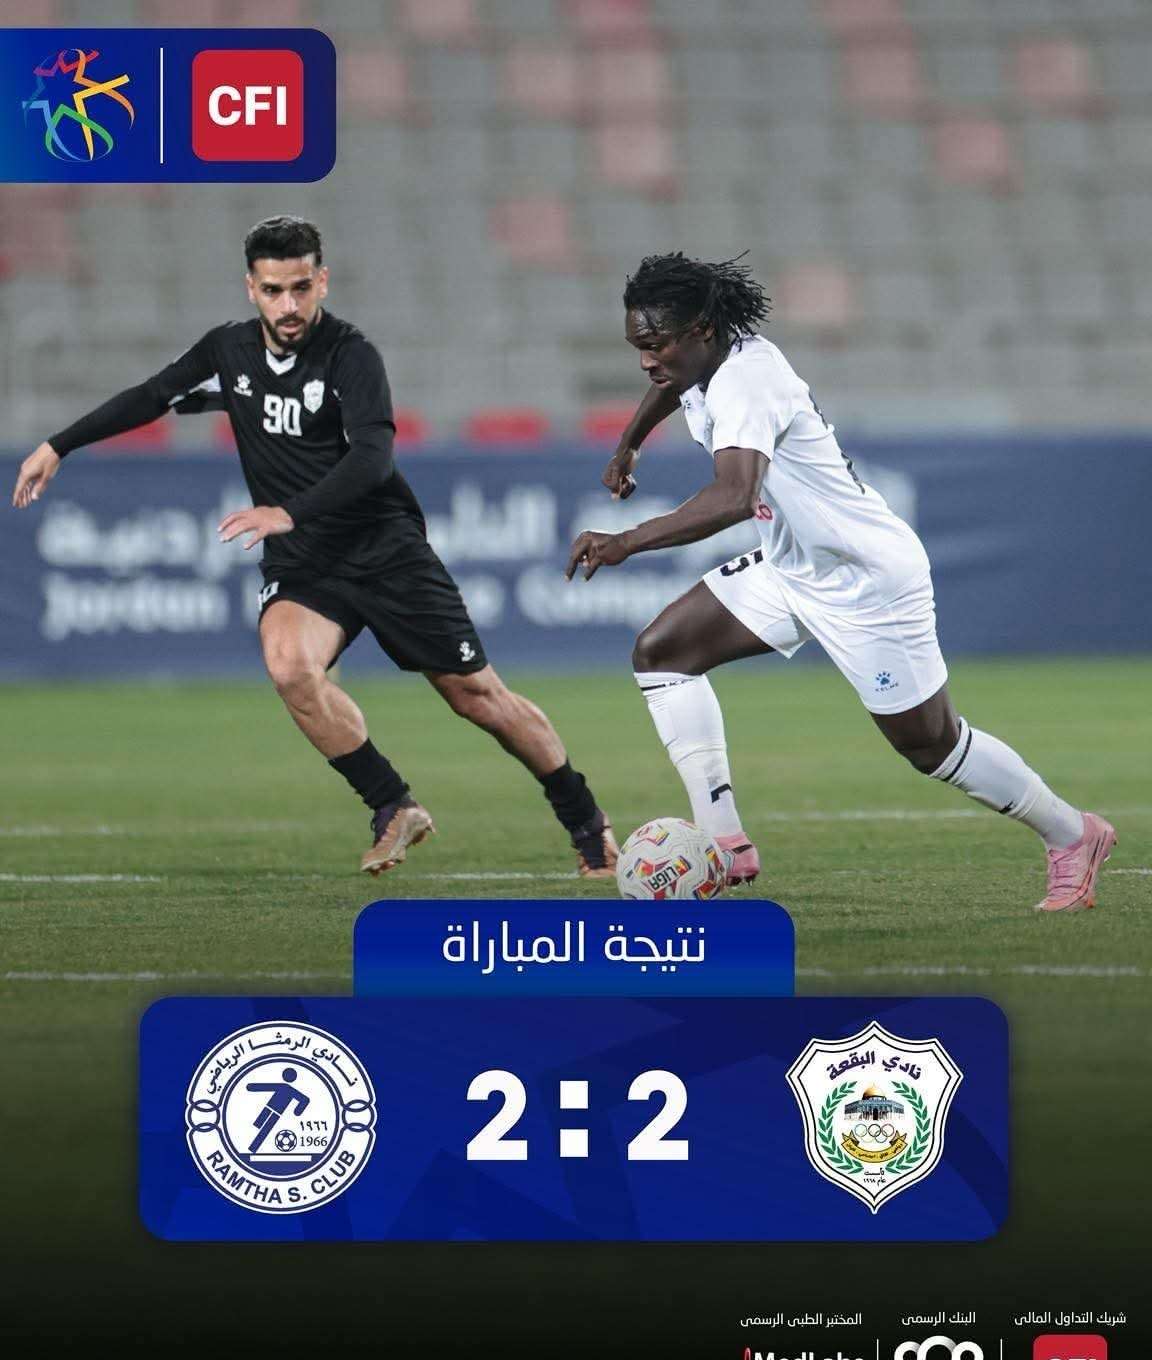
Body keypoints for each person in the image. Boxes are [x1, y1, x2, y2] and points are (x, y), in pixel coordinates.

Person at [12, 215, 618, 879]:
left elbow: (374, 459)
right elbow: (154, 396)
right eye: (274, 290)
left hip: (383, 548)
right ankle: (392, 804)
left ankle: (587, 822)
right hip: (305, 560)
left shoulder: (351, 357)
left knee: (477, 697)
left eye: (301, 287)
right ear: (251, 289)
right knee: (289, 667)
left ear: (322, 281)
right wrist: (58, 445)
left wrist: (288, 511)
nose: (289, 305)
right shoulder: (229, 351)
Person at [566, 252, 1114, 912]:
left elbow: (734, 498)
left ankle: (1073, 834)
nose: (647, 361)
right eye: (639, 346)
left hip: (865, 581)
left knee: (931, 746)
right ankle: (724, 842)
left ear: (702, 329)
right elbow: (672, 386)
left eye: (655, 345)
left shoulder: (747, 381)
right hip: (794, 567)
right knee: (663, 654)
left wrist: (626, 541)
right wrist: (629, 443)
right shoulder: (704, 362)